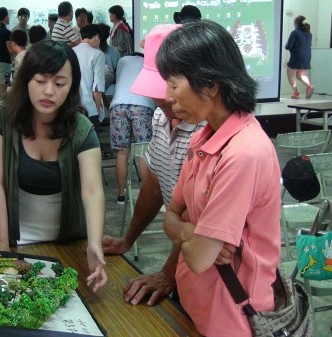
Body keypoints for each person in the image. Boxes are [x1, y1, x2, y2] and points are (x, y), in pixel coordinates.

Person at [159, 20, 281, 336]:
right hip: (196, 303)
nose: (168, 96)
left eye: (173, 85)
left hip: (230, 318)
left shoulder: (244, 153)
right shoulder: (204, 138)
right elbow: (170, 215)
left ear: (211, 85)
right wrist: (189, 230)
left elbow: (200, 257)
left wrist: (186, 231)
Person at [0, 39, 107, 293]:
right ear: (26, 80)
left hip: (69, 241)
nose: (49, 91)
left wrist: (94, 242)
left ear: (72, 85)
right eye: (41, 81)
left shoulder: (81, 128)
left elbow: (93, 190)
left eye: (60, 83)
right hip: (19, 241)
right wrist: (1, 247)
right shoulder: (2, 118)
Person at [102, 24, 205, 306]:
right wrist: (127, 239)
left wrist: (168, 273)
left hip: (212, 261)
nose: (162, 99)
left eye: (170, 89)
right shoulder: (161, 118)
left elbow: (201, 224)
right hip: (187, 251)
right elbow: (155, 182)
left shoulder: (209, 132)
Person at [109, 53, 157, 205]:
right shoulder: (149, 61)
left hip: (118, 106)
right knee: (143, 151)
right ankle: (146, 193)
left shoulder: (122, 61)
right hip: (141, 106)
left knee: (122, 152)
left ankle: (121, 195)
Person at [73, 24, 106, 129]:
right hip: (88, 108)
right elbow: (97, 86)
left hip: (71, 107)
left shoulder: (71, 51)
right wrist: (96, 109)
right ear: (96, 37)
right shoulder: (97, 54)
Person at [285, 15, 314, 99]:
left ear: (296, 23)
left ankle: (295, 92)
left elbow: (288, 46)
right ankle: (309, 85)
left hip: (297, 56)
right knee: (300, 74)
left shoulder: (295, 32)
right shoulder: (309, 34)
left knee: (290, 74)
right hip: (307, 56)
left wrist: (287, 45)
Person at [98, 23, 120, 92]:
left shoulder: (92, 51)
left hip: (97, 91)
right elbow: (118, 70)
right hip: (112, 90)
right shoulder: (114, 50)